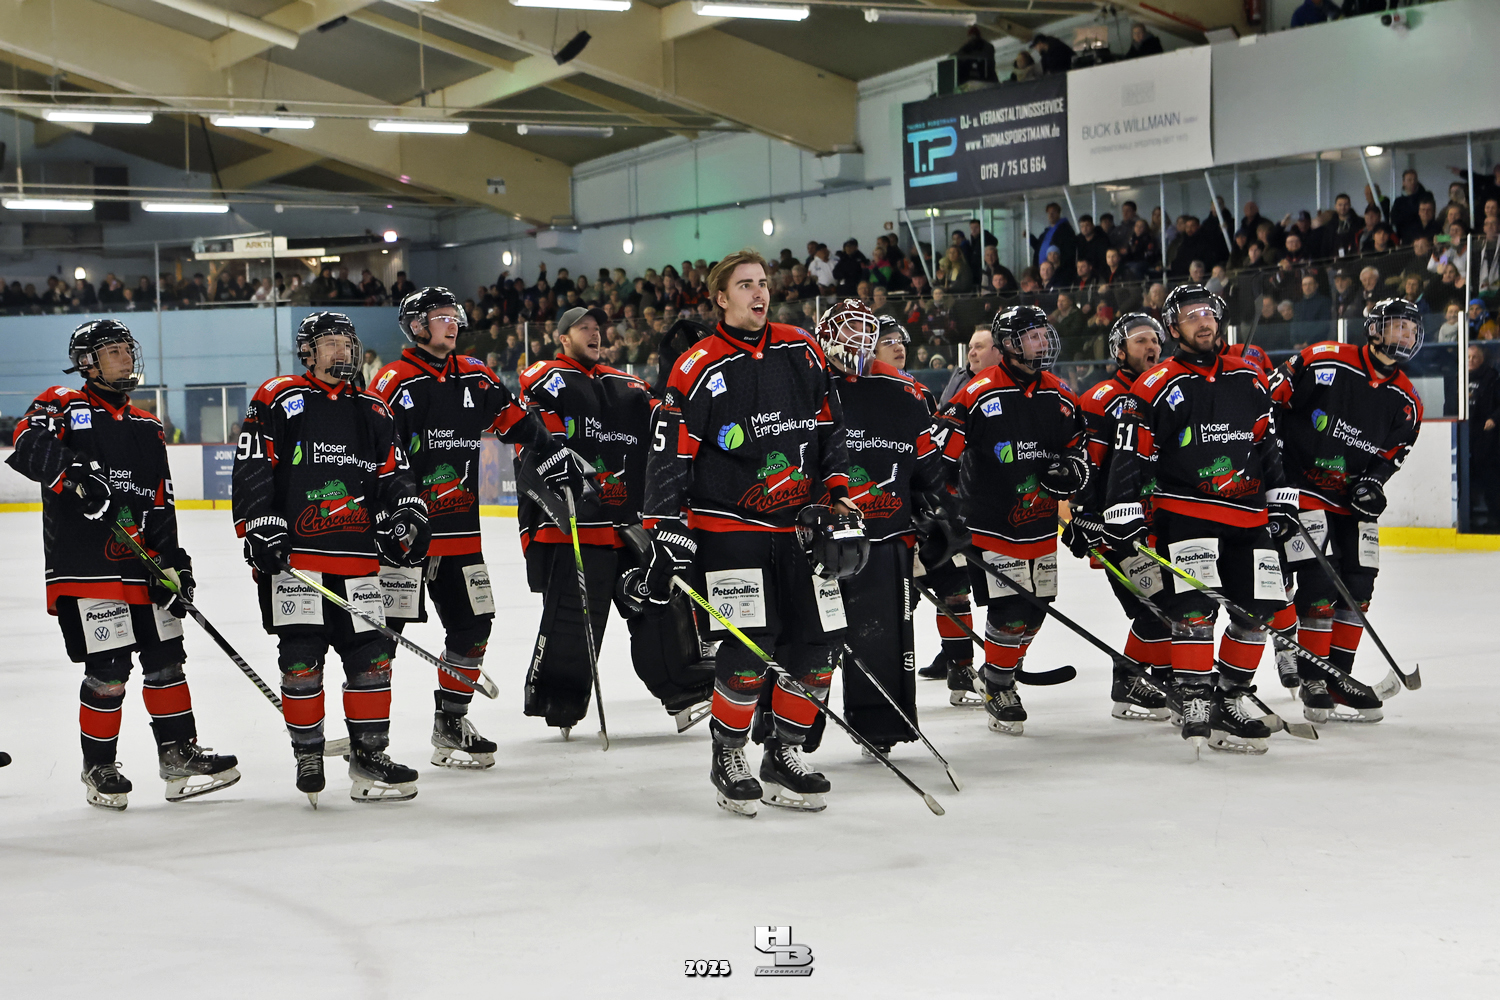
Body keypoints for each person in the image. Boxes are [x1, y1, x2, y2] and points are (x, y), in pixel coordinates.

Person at [641, 248, 859, 817]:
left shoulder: (802, 349)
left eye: (762, 283)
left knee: (817, 646)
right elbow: (669, 455)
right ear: (720, 298)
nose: (759, 292)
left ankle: (784, 752)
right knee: (749, 647)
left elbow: (831, 427)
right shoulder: (696, 366)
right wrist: (664, 526)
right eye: (745, 285)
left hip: (802, 528)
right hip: (728, 529)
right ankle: (729, 754)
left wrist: (838, 492)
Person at [7, 320, 239, 810]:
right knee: (109, 670)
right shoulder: (63, 403)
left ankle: (178, 755)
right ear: (86, 362)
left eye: (127, 349)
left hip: (143, 567)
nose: (125, 358)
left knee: (166, 661)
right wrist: (75, 477)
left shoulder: (147, 426)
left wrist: (175, 564)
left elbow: (160, 501)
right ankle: (99, 766)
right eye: (112, 351)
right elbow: (26, 442)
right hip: (86, 569)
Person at [234, 312, 430, 805]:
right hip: (297, 562)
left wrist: (407, 509)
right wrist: (259, 524)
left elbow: (394, 473)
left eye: (347, 342)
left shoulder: (373, 408)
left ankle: (370, 755)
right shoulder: (279, 397)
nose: (342, 351)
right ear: (308, 351)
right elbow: (253, 466)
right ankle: (308, 753)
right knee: (301, 661)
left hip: (359, 562)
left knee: (373, 660)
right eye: (330, 343)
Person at [367, 288, 565, 766]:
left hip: (460, 536)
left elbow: (516, 421)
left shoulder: (475, 374)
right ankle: (369, 742)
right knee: (380, 640)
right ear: (417, 326)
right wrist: (385, 521)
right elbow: (371, 456)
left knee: (475, 626)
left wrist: (552, 449)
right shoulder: (393, 382)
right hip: (403, 538)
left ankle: (451, 723)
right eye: (441, 316)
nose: (453, 323)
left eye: (454, 315)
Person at [1102, 284, 1295, 755]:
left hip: (1249, 516)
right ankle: (1194, 698)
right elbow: (1130, 453)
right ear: (1174, 328)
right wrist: (1122, 509)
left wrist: (1281, 499)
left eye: (1208, 313)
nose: (1203, 321)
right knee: (1193, 612)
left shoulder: (1249, 377)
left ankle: (1228, 696)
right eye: (1191, 316)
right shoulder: (1155, 384)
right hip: (1187, 516)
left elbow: (1267, 444)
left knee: (1259, 612)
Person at [516, 307, 711, 734]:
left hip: (627, 525)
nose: (595, 334)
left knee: (657, 602)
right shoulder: (547, 377)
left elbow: (665, 416)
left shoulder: (626, 384)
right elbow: (535, 435)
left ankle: (684, 691)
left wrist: (678, 369)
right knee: (573, 621)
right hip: (572, 527)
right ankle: (560, 704)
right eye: (583, 328)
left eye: (598, 328)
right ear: (563, 338)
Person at [934, 305, 1089, 736]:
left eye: (1043, 334)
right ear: (1008, 344)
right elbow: (941, 458)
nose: (1042, 342)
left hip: (1039, 523)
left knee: (1037, 609)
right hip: (990, 524)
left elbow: (1079, 450)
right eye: (1031, 336)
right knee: (1010, 610)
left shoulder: (1060, 394)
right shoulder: (978, 392)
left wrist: (1073, 473)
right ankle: (1000, 686)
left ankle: (999, 668)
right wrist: (944, 510)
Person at [1267, 299, 1422, 722]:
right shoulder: (1324, 358)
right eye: (1398, 326)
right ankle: (1313, 677)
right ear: (1374, 329)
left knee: (1360, 583)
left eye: (1411, 329)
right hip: (1301, 490)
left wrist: (1374, 482)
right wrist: (1274, 474)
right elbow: (1271, 403)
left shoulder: (1407, 400)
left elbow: (1391, 455)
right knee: (1320, 578)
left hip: (1350, 500)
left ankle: (1338, 677)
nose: (1406, 335)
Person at [815, 304, 944, 754]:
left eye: (864, 331)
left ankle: (880, 727)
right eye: (848, 330)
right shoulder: (804, 383)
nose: (858, 340)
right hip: (816, 538)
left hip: (885, 537)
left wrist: (938, 510)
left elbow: (927, 465)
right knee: (811, 640)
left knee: (881, 639)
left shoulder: (905, 391)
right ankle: (792, 730)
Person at [1063, 313, 1174, 720]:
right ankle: (1135, 680)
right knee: (1158, 608)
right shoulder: (1101, 398)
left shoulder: (1169, 390)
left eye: (1155, 339)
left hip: (1165, 521)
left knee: (1172, 606)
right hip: (1120, 527)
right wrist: (1085, 513)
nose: (1152, 346)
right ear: (1120, 351)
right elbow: (1087, 464)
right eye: (1141, 340)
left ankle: (1157, 678)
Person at [916, 328, 1001, 698]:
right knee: (904, 598)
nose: (972, 353)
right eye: (970, 347)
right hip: (931, 508)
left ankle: (960, 662)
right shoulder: (961, 385)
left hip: (969, 509)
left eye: (979, 346)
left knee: (958, 589)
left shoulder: (927, 391)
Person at [1467, 344, 1500, 529]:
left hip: (1487, 439)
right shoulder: (1458, 377)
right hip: (1464, 436)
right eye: (1468, 357)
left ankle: (1494, 518)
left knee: (1490, 480)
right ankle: (1467, 516)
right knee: (1466, 478)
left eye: (1475, 357)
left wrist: (1494, 418)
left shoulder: (1492, 378)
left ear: (1482, 359)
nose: (1471, 360)